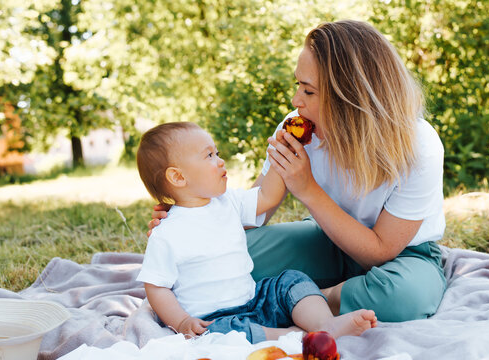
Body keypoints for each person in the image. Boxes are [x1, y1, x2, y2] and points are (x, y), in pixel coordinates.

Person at [149, 20, 446, 323]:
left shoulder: (419, 147)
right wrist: (191, 217)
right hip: (324, 239)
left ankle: (308, 297)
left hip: (404, 256)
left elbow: (379, 251)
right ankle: (303, 296)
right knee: (224, 258)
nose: (295, 101)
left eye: (309, 91)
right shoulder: (297, 127)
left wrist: (306, 189)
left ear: (351, 99)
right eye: (298, 86)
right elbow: (257, 209)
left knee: (405, 297)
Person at [135, 121, 377, 344]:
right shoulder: (166, 232)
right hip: (213, 317)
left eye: (217, 153)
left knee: (291, 280)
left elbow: (267, 197)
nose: (220, 161)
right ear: (178, 176)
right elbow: (157, 287)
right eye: (209, 155)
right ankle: (297, 336)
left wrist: (283, 152)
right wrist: (181, 321)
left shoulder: (228, 201)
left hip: (256, 299)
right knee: (218, 335)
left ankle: (325, 324)